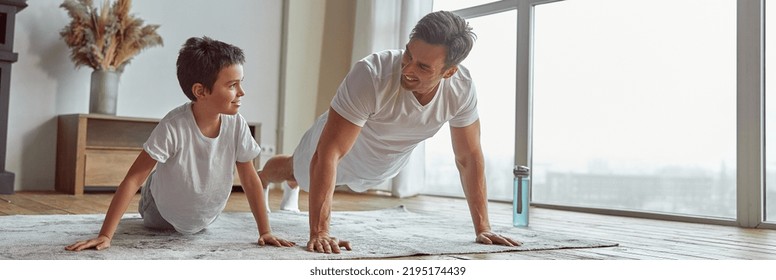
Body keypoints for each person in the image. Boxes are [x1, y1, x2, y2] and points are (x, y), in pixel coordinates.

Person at [259, 11, 521, 254]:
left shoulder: (461, 89)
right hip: (336, 148)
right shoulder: (371, 74)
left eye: (423, 67)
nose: (407, 69)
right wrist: (320, 232)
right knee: (296, 170)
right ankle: (265, 178)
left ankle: (294, 184)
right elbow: (330, 152)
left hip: (384, 165)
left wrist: (483, 228)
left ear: (449, 72)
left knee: (312, 177)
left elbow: (469, 157)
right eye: (408, 55)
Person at [66, 36, 294, 251]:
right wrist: (105, 235)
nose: (241, 92)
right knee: (154, 178)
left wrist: (265, 231)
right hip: (159, 213)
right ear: (200, 91)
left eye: (240, 83)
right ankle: (156, 186)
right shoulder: (173, 125)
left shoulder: (237, 124)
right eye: (232, 85)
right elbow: (134, 177)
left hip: (204, 216)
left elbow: (250, 178)